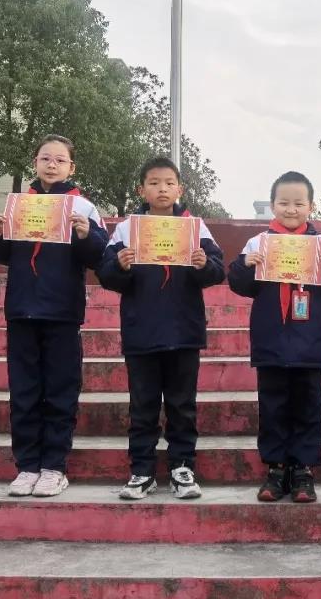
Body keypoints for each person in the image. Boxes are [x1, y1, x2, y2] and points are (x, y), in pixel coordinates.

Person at [0, 135, 109, 497]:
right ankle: (27, 466)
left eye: (59, 160)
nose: (51, 165)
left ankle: (54, 466)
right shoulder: (19, 204)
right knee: (23, 391)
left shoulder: (83, 207)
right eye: (45, 158)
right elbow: (4, 254)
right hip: (22, 308)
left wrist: (85, 235)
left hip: (62, 311)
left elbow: (100, 256)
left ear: (72, 167)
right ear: (35, 163)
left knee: (60, 391)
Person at [96, 157, 225, 500]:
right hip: (142, 332)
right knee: (143, 407)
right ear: (142, 190)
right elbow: (106, 274)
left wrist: (203, 264)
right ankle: (142, 470)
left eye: (169, 183)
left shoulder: (195, 227)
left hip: (184, 331)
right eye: (154, 183)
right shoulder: (127, 229)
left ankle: (183, 468)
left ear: (180, 188)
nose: (162, 189)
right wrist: (120, 265)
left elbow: (218, 270)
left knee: (183, 405)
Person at [227, 171, 321, 503]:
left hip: (309, 342)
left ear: (311, 206)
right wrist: (245, 265)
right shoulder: (258, 243)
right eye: (284, 203)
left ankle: (303, 471)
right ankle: (276, 469)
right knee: (272, 407)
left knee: (309, 407)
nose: (291, 209)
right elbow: (239, 284)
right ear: (272, 205)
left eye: (299, 203)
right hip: (271, 341)